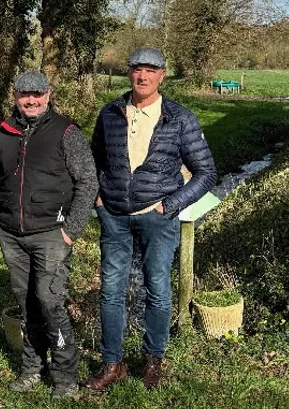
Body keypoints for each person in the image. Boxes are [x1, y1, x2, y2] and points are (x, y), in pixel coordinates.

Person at [87, 47, 217, 392]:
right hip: (114, 216)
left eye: (150, 70)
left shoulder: (179, 118)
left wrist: (171, 205)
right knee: (111, 291)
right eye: (136, 69)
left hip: (158, 218)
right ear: (128, 73)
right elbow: (95, 159)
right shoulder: (110, 113)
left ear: (162, 75)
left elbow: (206, 173)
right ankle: (112, 363)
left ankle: (153, 360)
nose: (142, 76)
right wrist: (98, 198)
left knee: (157, 288)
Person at [0, 72, 97, 399]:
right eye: (25, 94)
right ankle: (31, 367)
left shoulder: (66, 132)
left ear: (49, 94)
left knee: (50, 302)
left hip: (52, 233)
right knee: (26, 304)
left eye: (38, 93)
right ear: (15, 95)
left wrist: (71, 231)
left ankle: (65, 374)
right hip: (11, 235)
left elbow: (88, 182)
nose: (31, 100)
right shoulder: (4, 133)